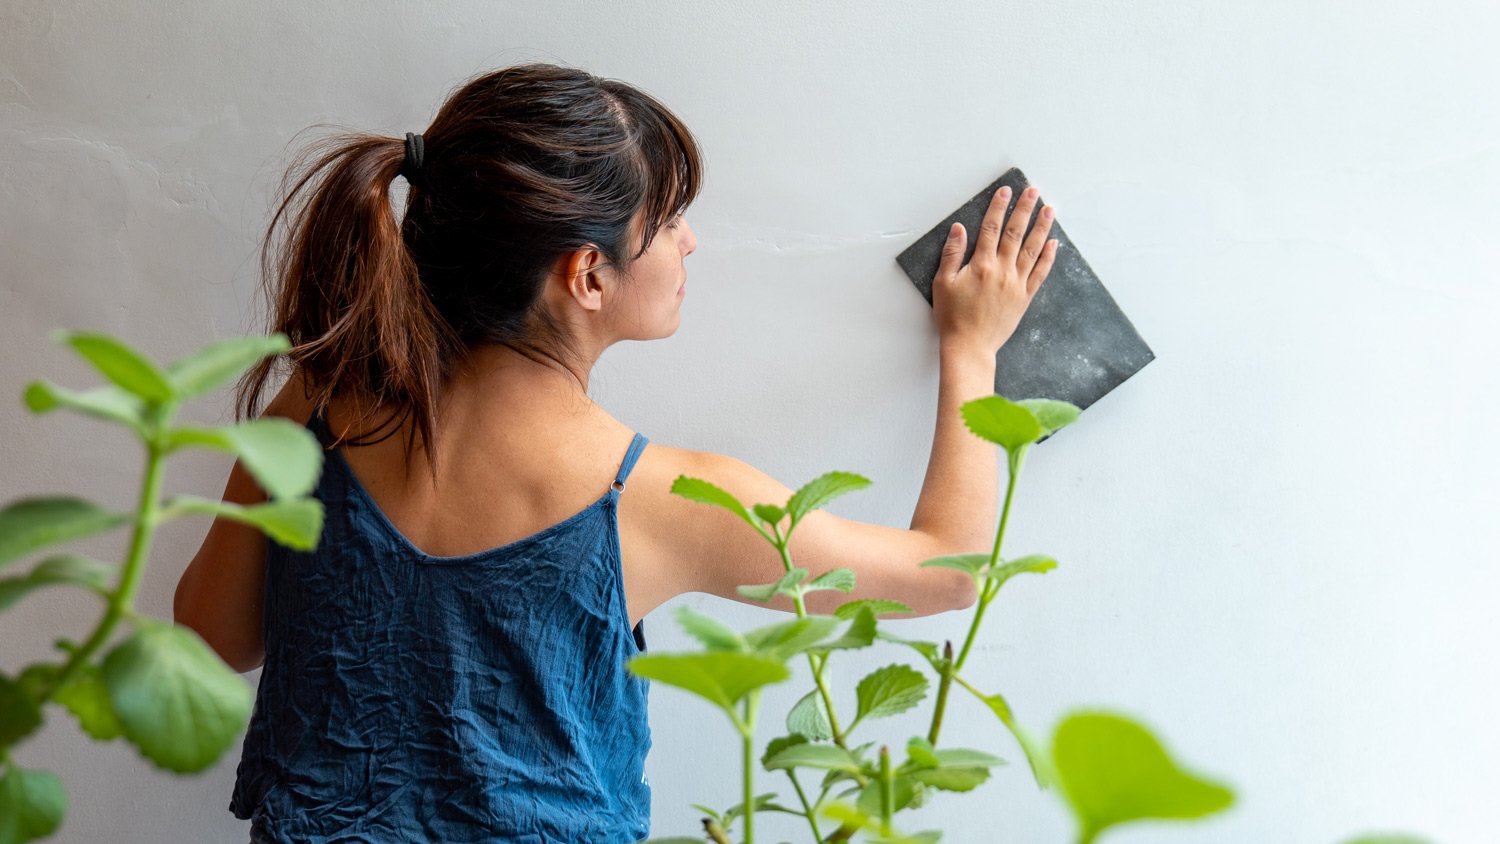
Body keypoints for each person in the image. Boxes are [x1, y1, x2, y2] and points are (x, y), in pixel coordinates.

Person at [172, 61, 1058, 844]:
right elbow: (948, 572)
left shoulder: (315, 408)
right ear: (588, 274)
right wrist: (971, 350)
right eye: (669, 219)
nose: (689, 242)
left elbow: (215, 635)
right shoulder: (659, 498)